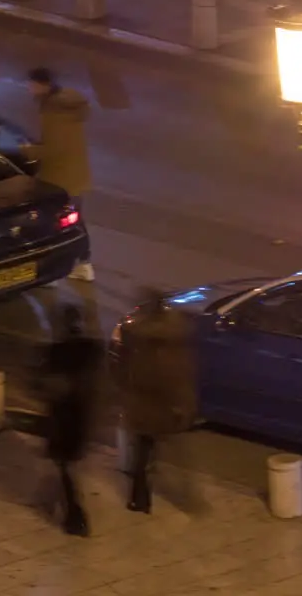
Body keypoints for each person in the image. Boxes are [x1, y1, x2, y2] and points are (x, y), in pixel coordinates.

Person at [113, 288, 196, 513]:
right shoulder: (174, 335)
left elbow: (131, 371)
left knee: (143, 452)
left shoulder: (142, 339)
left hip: (147, 407)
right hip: (166, 407)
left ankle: (141, 500)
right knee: (170, 452)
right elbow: (181, 374)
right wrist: (184, 404)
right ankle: (188, 498)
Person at [39, 304, 103, 536]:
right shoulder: (91, 349)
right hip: (82, 415)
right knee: (70, 465)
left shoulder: (57, 351)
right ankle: (73, 510)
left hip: (63, 416)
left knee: (65, 466)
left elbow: (46, 383)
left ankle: (75, 515)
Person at [25, 67, 94, 281]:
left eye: (32, 84)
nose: (29, 88)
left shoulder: (54, 111)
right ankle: (83, 263)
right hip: (73, 173)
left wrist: (26, 151)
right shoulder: (64, 105)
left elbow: (54, 147)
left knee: (51, 221)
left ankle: (60, 268)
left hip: (60, 177)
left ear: (42, 85)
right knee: (73, 220)